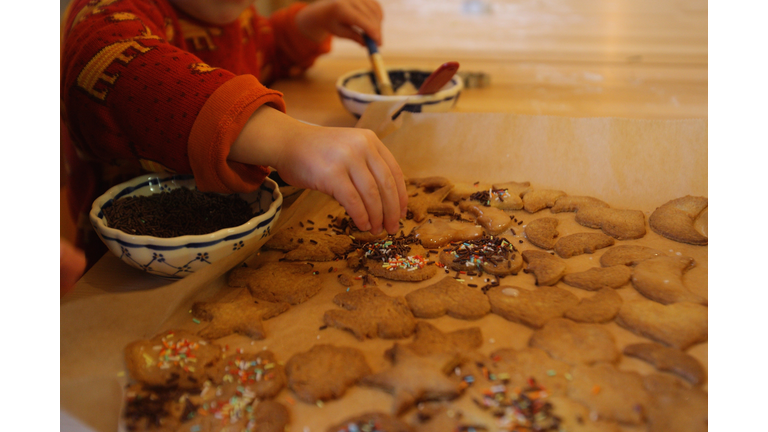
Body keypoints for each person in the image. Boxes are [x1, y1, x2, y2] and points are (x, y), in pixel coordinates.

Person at [60, 0, 408, 270]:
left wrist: (309, 24)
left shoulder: (231, 15)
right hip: (117, 273)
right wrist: (286, 139)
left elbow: (265, 48)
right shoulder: (106, 13)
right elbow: (114, 63)